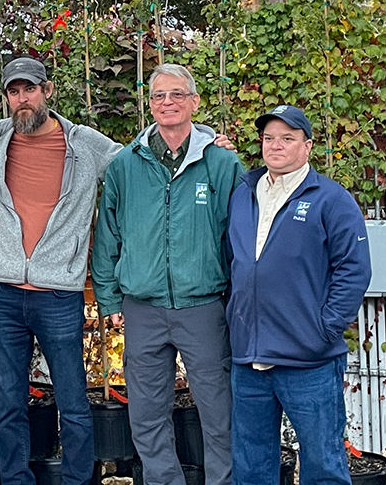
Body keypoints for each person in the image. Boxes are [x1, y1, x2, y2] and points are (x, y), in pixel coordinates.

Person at [0, 57, 121, 485]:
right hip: (3, 294)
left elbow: (137, 162)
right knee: (8, 403)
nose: (21, 99)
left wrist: (207, 141)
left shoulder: (86, 144)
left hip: (59, 294)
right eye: (14, 91)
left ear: (48, 91)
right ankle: (15, 480)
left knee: (73, 401)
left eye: (29, 90)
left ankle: (77, 480)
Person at [91, 64, 243, 485]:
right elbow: (108, 235)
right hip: (142, 310)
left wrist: (237, 297)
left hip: (203, 308)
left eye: (177, 94)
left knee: (218, 413)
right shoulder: (125, 165)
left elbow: (241, 238)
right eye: (159, 96)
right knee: (146, 413)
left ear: (194, 102)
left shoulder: (222, 163)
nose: (168, 103)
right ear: (150, 104)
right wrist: (108, 298)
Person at [225, 105, 371, 485]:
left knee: (322, 463)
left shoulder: (331, 199)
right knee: (251, 465)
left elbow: (354, 270)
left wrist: (324, 329)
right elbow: (234, 263)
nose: (276, 146)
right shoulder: (243, 194)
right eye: (269, 138)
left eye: (287, 138)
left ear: (307, 146)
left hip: (308, 359)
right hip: (249, 359)